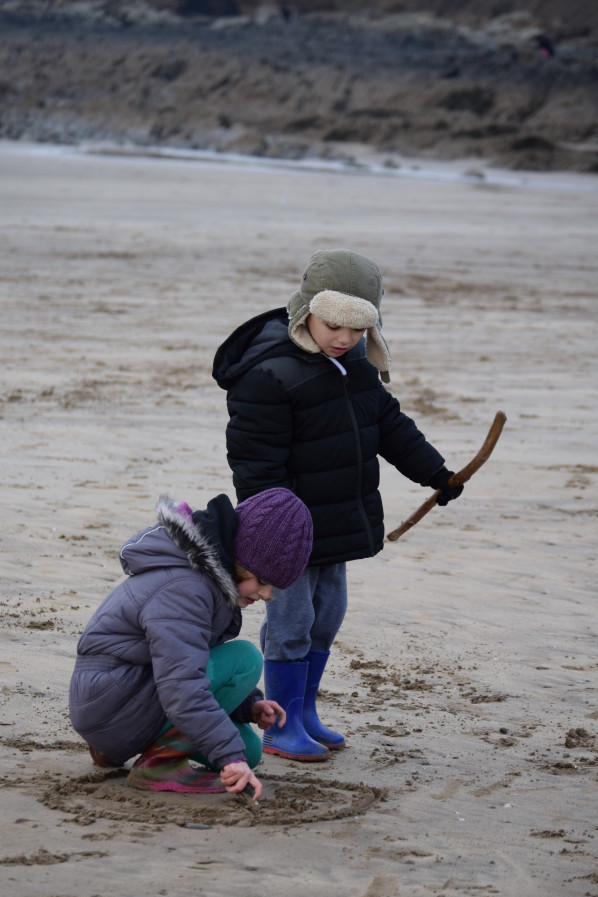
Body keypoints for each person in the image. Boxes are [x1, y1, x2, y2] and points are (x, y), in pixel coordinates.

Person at [212, 248, 463, 761]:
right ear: (306, 311)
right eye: (334, 326)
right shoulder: (271, 372)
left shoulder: (356, 364)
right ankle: (279, 724)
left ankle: (304, 712)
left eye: (359, 328)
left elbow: (388, 426)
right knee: (292, 623)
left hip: (337, 520)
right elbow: (255, 463)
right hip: (288, 532)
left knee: (327, 617)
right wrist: (274, 531)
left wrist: (435, 473)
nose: (345, 339)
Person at [68, 487, 313, 800]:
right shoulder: (187, 587)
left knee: (249, 751)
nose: (265, 595)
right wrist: (228, 756)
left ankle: (115, 748)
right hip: (111, 705)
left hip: (117, 701)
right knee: (246, 660)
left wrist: (248, 706)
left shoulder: (205, 578)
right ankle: (159, 765)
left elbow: (186, 659)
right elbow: (182, 684)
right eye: (262, 581)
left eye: (273, 588)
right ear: (239, 557)